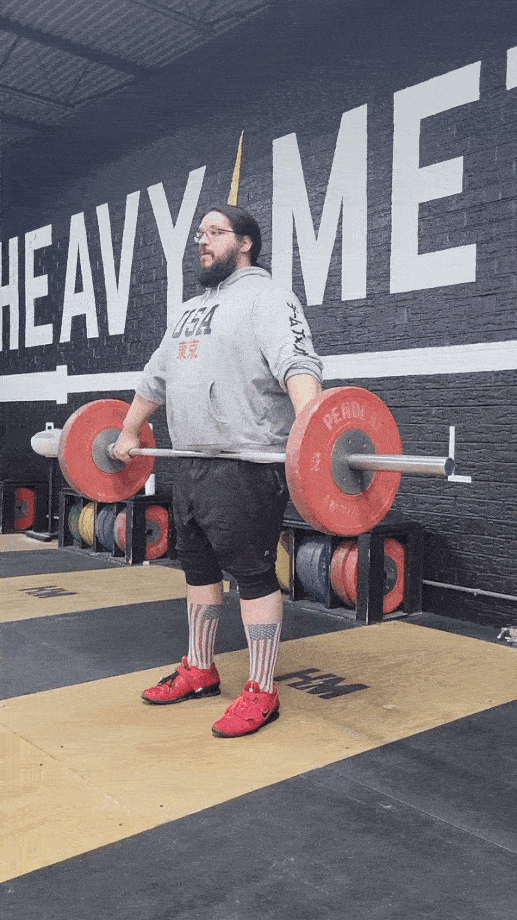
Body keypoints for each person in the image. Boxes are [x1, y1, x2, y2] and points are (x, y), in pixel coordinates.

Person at [113, 204, 323, 737]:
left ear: (246, 242)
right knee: (199, 571)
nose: (201, 243)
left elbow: (298, 362)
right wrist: (129, 429)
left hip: (247, 463)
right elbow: (156, 376)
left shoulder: (268, 298)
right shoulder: (190, 310)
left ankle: (262, 690)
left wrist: (312, 431)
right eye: (199, 234)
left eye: (214, 233)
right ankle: (201, 669)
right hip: (192, 463)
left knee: (252, 574)